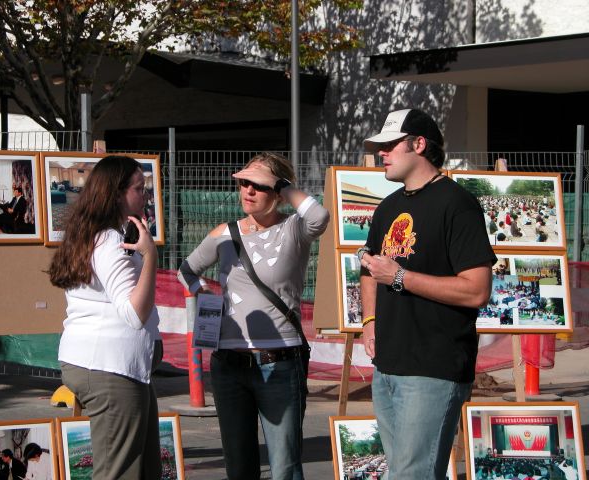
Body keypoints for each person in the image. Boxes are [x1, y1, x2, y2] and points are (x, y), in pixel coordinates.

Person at [358, 109, 496, 479]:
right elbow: (369, 270)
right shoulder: (388, 207)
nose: (382, 153)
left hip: (434, 366)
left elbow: (477, 290)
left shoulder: (458, 204)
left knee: (412, 474)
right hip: (388, 365)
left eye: (391, 145)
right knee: (403, 472)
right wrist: (369, 322)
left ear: (419, 144)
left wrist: (401, 277)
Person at [177, 152, 329, 480]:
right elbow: (186, 270)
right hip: (228, 365)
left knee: (285, 467)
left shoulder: (293, 228)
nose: (248, 190)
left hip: (280, 361)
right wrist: (202, 291)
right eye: (244, 182)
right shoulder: (224, 233)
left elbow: (319, 216)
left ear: (278, 192)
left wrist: (282, 184)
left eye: (259, 185)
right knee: (239, 467)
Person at [49, 155, 162, 479]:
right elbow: (134, 313)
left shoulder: (94, 234)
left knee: (143, 467)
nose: (146, 195)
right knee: (119, 470)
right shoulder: (110, 241)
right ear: (116, 194)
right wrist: (150, 256)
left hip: (112, 366)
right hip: (110, 368)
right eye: (139, 188)